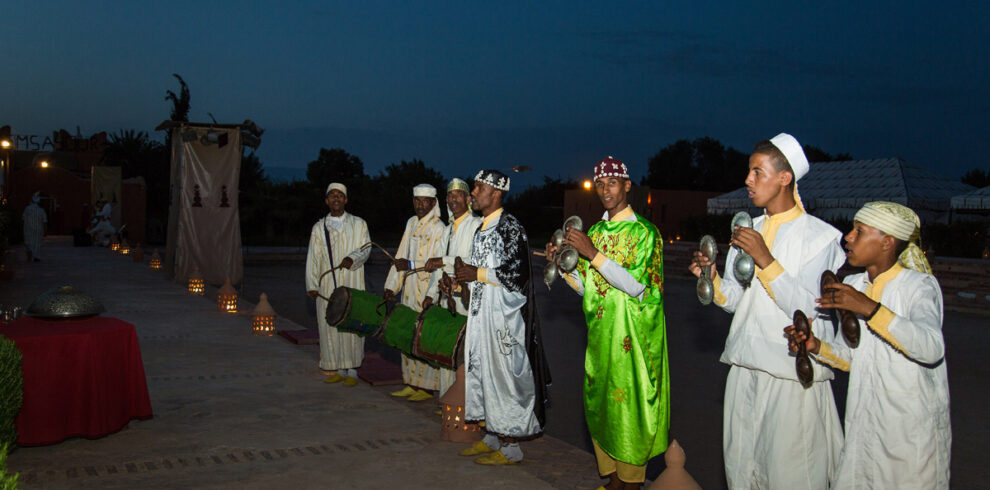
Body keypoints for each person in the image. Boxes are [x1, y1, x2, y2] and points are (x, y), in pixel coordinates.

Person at [689, 133, 844, 489]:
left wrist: (766, 259)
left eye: (758, 172)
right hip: (744, 368)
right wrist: (711, 281)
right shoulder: (749, 229)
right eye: (749, 171)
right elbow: (740, 300)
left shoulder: (823, 239)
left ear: (785, 178)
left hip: (791, 375)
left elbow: (809, 309)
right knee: (743, 470)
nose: (748, 180)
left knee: (792, 473)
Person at [786, 202, 951, 489]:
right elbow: (852, 358)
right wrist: (815, 346)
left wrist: (870, 309)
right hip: (864, 426)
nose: (848, 237)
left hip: (909, 434)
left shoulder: (919, 286)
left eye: (859, 231)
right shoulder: (854, 284)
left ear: (887, 242)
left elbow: (931, 347)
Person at [547, 157, 668, 490]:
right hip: (601, 340)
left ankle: (630, 484)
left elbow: (635, 285)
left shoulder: (646, 233)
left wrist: (591, 253)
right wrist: (565, 266)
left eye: (612, 183)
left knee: (629, 413)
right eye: (599, 184)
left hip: (632, 342)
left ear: (628, 186)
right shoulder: (597, 231)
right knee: (601, 409)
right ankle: (614, 480)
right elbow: (590, 288)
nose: (605, 190)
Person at [444, 169, 551, 465]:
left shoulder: (511, 227)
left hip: (504, 320)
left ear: (496, 193)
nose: (474, 193)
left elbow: (519, 276)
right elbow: (475, 274)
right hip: (481, 317)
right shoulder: (481, 230)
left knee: (503, 377)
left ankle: (511, 446)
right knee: (482, 374)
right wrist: (458, 283)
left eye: (479, 188)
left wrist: (474, 273)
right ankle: (492, 435)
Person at [384, 184, 448, 402]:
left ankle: (427, 387)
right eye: (417, 201)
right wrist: (392, 286)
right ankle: (411, 382)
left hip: (427, 289)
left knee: (423, 336)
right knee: (406, 332)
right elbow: (401, 254)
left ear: (433, 203)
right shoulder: (411, 223)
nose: (421, 205)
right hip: (409, 288)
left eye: (425, 201)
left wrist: (410, 263)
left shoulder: (439, 228)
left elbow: (436, 264)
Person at [305, 183, 372, 386]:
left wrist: (352, 258)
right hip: (327, 285)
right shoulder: (319, 227)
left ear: (346, 200)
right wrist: (312, 285)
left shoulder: (359, 224)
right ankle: (338, 368)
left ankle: (351, 371)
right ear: (326, 201)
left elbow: (366, 248)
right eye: (332, 195)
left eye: (340, 195)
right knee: (331, 324)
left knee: (352, 322)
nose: (336, 198)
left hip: (352, 281)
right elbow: (313, 258)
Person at [422, 178, 483, 394]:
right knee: (446, 347)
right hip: (446, 299)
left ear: (468, 199)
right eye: (449, 195)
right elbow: (438, 266)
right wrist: (430, 294)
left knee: (465, 351)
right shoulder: (447, 230)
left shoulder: (477, 226)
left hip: (467, 300)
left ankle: (467, 402)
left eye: (458, 195)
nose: (453, 199)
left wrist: (444, 261)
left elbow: (474, 260)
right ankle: (449, 397)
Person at [22, 193, 47, 262]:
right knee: (37, 242)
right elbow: (44, 221)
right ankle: (36, 256)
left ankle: (30, 250)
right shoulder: (41, 210)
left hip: (28, 228)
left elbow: (23, 218)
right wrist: (45, 230)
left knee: (29, 241)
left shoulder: (27, 209)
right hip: (39, 229)